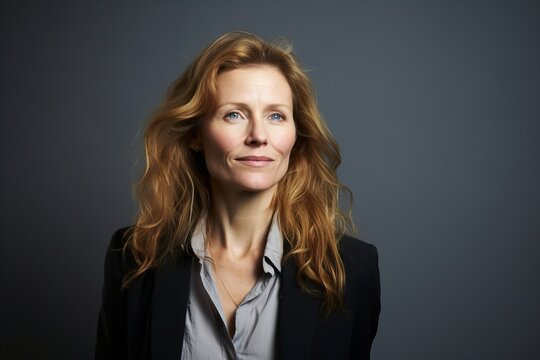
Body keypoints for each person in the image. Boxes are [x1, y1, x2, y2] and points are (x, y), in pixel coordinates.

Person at [95, 31, 380, 360]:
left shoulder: (351, 269)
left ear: (296, 135)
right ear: (195, 135)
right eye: (234, 114)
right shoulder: (133, 259)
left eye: (276, 116)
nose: (259, 136)